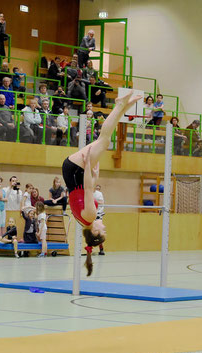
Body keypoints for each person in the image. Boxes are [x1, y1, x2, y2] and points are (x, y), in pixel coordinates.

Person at [62, 90, 141, 276]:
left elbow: (88, 189)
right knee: (104, 140)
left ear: (95, 232)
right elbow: (81, 193)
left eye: (102, 231)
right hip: (76, 175)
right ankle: (122, 108)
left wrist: (88, 166)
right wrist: (94, 175)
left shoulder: (90, 216)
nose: (104, 226)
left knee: (104, 141)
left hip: (75, 172)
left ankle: (121, 105)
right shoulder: (85, 221)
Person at [93, 184, 105, 255]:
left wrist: (94, 201)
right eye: (96, 188)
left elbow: (101, 202)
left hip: (98, 215)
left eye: (98, 188)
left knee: (100, 232)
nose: (97, 189)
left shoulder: (99, 194)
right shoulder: (89, 193)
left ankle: (101, 249)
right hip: (91, 214)